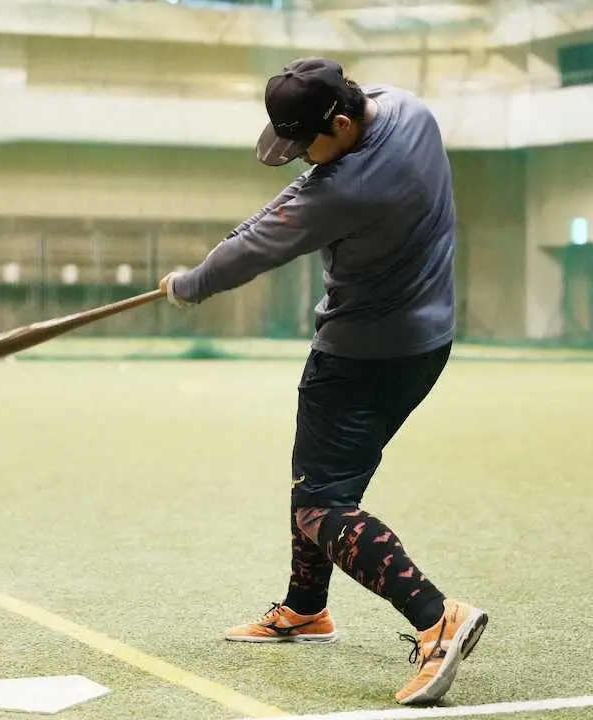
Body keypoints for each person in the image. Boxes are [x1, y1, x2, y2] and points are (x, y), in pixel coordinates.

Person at [158, 57, 488, 706]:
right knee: (316, 477)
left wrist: (192, 282)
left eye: (305, 145)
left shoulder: (345, 189)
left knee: (321, 507)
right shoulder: (410, 111)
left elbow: (262, 243)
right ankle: (306, 608)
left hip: (359, 358)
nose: (301, 158)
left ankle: (435, 617)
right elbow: (290, 203)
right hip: (427, 343)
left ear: (339, 122)